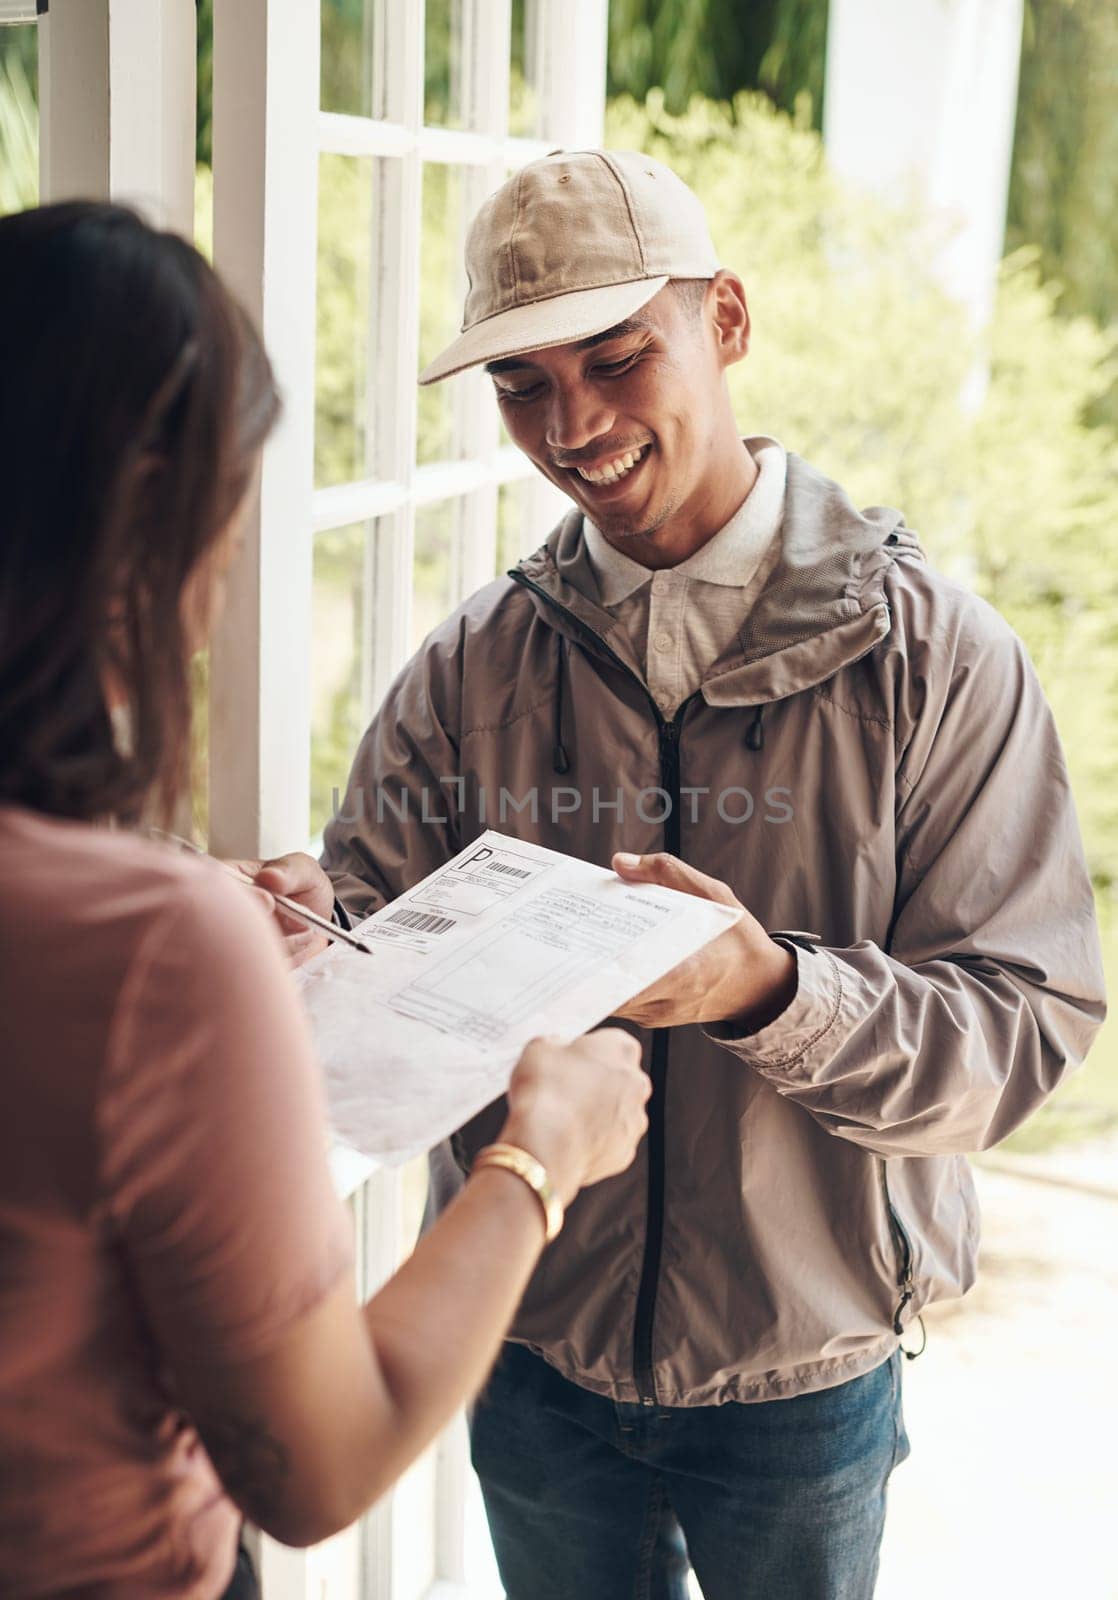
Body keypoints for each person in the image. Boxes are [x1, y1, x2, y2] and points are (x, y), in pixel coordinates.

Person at [253, 152, 1106, 1599]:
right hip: (526, 1350)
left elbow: (1020, 1034)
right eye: (520, 384)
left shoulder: (938, 659)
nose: (570, 425)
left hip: (800, 1378)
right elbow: (377, 953)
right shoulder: (472, 664)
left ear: (724, 320)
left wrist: (766, 988)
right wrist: (299, 936)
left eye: (614, 356)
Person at [0, 201, 651, 1600]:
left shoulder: (141, 929)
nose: (213, 601)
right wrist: (538, 1153)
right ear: (144, 522)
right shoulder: (147, 953)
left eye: (615, 359)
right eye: (222, 545)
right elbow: (313, 1469)